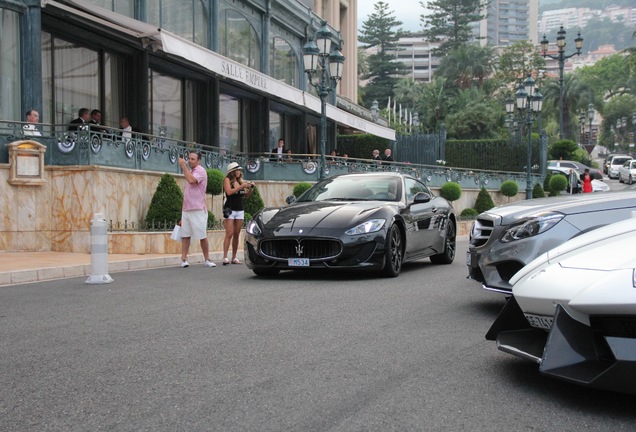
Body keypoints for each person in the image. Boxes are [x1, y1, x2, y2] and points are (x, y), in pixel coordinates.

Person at [178, 151, 216, 268]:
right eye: (189, 158)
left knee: (202, 234)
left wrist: (183, 166)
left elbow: (192, 181)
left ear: (198, 161)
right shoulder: (190, 171)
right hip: (187, 209)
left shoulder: (200, 171)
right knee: (185, 235)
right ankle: (184, 259)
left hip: (198, 208)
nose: (189, 160)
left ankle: (207, 259)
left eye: (193, 159)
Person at [222, 162, 254, 265]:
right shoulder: (227, 180)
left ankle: (234, 257)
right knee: (229, 233)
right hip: (230, 209)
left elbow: (246, 196)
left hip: (239, 209)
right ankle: (225, 256)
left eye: (240, 170)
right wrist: (241, 187)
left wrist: (250, 188)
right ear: (233, 171)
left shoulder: (240, 181)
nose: (239, 172)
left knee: (236, 234)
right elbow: (229, 192)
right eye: (237, 170)